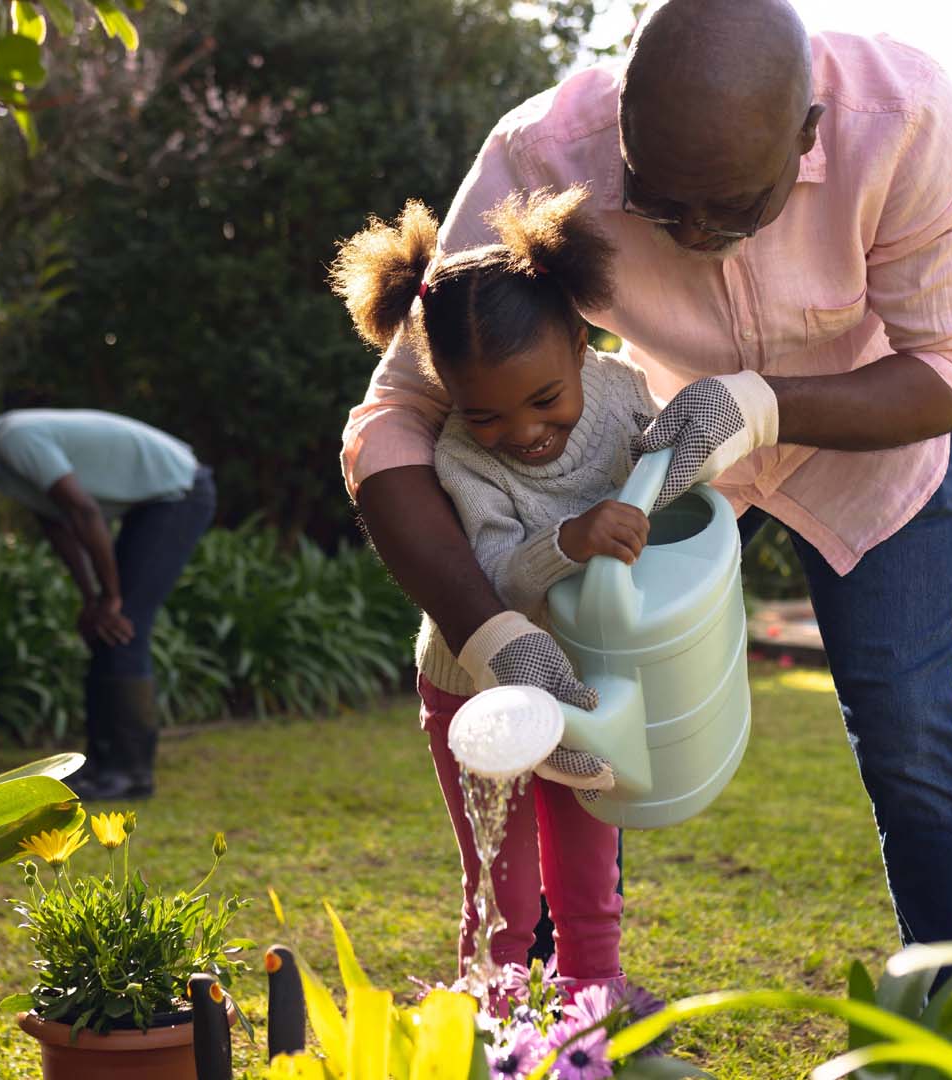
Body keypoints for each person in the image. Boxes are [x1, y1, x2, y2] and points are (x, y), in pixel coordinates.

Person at [340, 0, 952, 1054]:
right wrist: (491, 634)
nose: (698, 236)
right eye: (662, 204)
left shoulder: (908, 119)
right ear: (622, 131)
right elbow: (392, 419)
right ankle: (548, 1032)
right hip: (651, 466)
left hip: (869, 443)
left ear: (806, 134)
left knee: (909, 731)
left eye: (732, 207)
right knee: (586, 714)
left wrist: (758, 405)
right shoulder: (542, 155)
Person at [331, 186, 677, 986]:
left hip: (582, 673)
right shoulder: (459, 454)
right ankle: (495, 1020)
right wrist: (570, 539)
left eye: (545, 399)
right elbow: (493, 580)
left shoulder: (622, 391)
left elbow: (664, 468)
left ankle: (594, 1006)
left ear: (581, 343)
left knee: (590, 875)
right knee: (503, 887)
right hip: (477, 688)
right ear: (445, 389)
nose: (522, 431)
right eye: (485, 414)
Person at [0, 408, 215, 800]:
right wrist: (92, 599)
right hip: (155, 501)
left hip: (180, 492)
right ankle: (100, 766)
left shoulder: (14, 440)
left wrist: (111, 598)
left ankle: (131, 773)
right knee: (103, 630)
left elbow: (83, 510)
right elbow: (58, 525)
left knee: (123, 628)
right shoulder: (5, 464)